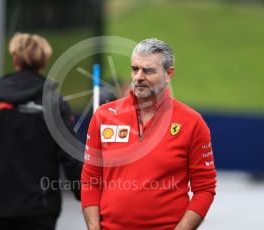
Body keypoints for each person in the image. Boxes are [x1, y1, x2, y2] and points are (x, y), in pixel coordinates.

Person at [81, 38, 217, 229]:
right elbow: (90, 180)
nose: (138, 76)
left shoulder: (192, 123)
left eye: (148, 70)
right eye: (135, 69)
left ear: (169, 74)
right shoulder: (104, 116)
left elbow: (205, 189)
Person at [0, 33, 82, 230]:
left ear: (14, 59)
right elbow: (71, 156)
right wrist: (86, 196)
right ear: (43, 61)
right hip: (43, 207)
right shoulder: (54, 102)